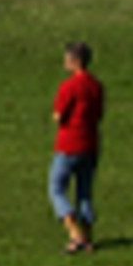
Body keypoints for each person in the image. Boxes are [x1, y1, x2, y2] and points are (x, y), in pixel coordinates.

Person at [49, 41, 105, 254]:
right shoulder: (96, 86)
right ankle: (88, 237)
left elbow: (58, 115)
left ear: (75, 61)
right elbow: (99, 114)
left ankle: (74, 232)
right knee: (84, 192)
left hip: (69, 143)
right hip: (90, 143)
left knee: (56, 188)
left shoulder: (69, 86)